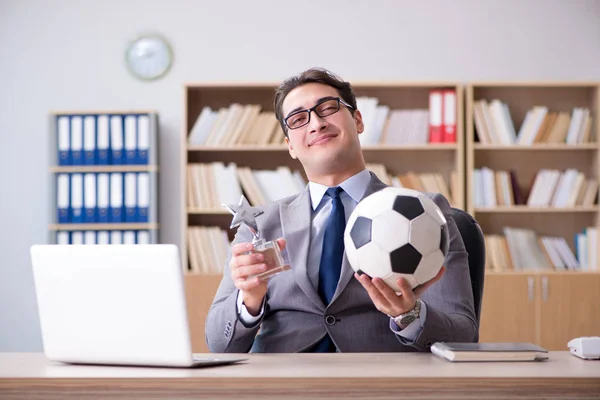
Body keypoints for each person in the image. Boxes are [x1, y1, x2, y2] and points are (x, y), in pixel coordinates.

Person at [205, 67, 477, 353]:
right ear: (290, 146)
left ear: (358, 120)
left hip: (377, 384)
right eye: (298, 119)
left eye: (327, 108)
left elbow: (463, 337)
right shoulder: (258, 225)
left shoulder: (426, 213)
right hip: (283, 385)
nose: (316, 124)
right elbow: (220, 346)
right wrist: (249, 301)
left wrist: (409, 314)